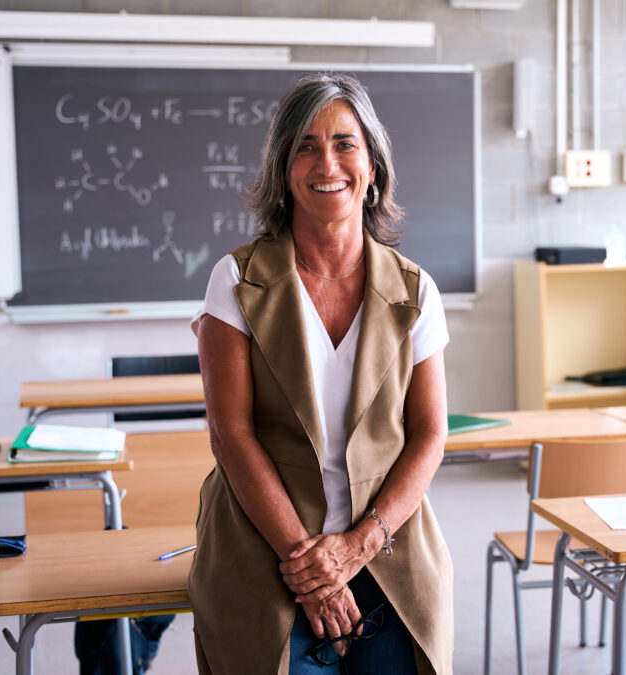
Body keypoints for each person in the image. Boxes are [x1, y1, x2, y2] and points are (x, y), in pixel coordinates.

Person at [188, 73, 454, 674]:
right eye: (304, 146)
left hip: (387, 552)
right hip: (268, 555)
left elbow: (430, 436)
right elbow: (231, 434)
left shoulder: (415, 291)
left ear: (373, 167)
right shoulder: (236, 282)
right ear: (283, 171)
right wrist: (312, 573)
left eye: (344, 143)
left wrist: (355, 551)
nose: (325, 162)